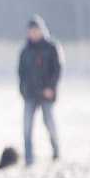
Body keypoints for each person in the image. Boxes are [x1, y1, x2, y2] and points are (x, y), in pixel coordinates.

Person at [18, 15, 63, 165]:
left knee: (49, 123)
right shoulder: (25, 51)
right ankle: (29, 157)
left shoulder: (51, 47)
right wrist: (23, 91)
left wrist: (51, 88)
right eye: (31, 30)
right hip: (30, 94)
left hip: (47, 92)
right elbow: (21, 73)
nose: (33, 33)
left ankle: (56, 149)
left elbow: (57, 69)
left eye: (36, 30)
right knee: (27, 126)